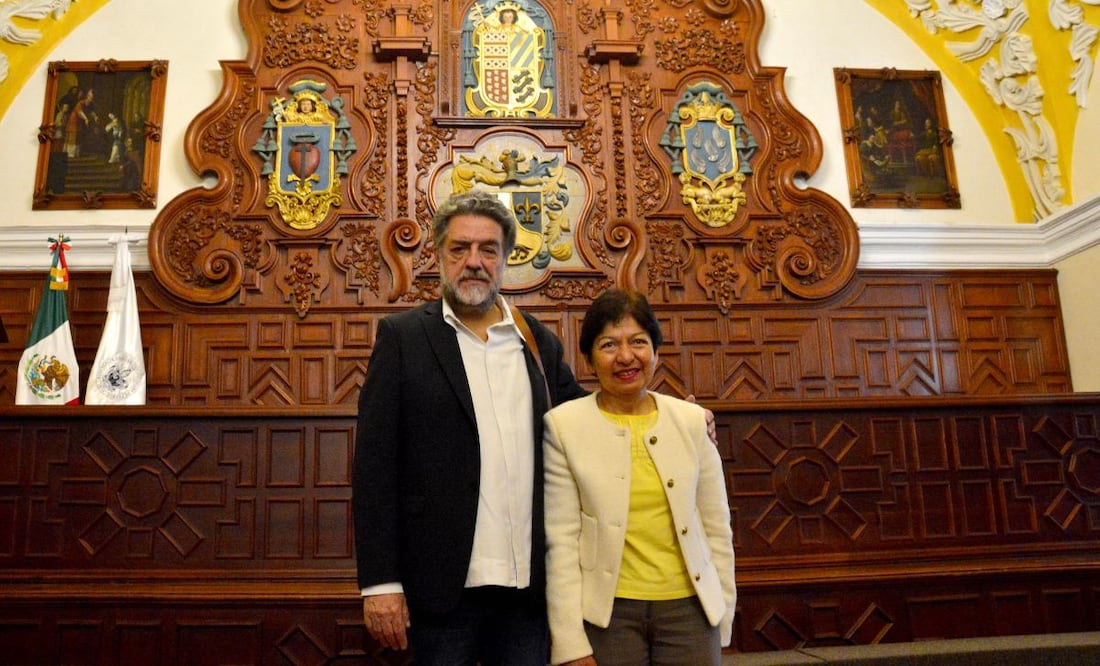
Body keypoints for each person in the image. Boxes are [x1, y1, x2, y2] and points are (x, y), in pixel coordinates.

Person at [352, 189, 587, 665]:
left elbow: (585, 420)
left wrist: (674, 416)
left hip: (527, 593)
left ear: (505, 259)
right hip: (440, 592)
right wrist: (380, 584)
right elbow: (375, 470)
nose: (473, 262)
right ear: (440, 255)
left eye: (488, 250)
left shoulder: (536, 340)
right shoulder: (403, 338)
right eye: (460, 249)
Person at [543, 289, 736, 666]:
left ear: (656, 352)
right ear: (589, 359)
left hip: (691, 611)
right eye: (609, 345)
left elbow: (717, 526)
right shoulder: (564, 427)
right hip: (608, 615)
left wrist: (722, 608)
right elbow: (561, 541)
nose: (626, 357)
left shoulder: (692, 421)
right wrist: (569, 641)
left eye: (639, 342)